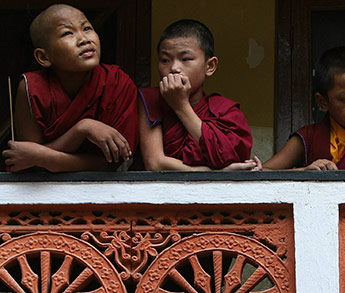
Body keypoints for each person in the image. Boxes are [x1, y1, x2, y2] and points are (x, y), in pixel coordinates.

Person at [3, 4, 138, 172]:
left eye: (87, 28)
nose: (84, 39)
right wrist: (82, 129)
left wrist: (42, 156)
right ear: (43, 57)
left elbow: (114, 162)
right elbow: (27, 164)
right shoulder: (32, 87)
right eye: (68, 33)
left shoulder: (118, 83)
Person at [138, 19, 260, 171]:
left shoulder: (226, 112)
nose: (174, 68)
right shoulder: (150, 100)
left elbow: (230, 157)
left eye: (185, 59)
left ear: (210, 66)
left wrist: (181, 106)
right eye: (165, 60)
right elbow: (155, 164)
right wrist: (216, 173)